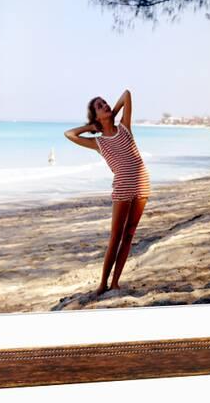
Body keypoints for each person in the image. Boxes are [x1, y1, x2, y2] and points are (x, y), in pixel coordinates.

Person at [64, 89, 151, 295]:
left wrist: (111, 112)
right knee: (116, 236)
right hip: (122, 187)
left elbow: (127, 94)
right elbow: (69, 134)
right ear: (96, 116)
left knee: (129, 235)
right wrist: (92, 126)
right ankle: (103, 283)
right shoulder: (98, 143)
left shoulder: (124, 127)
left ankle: (115, 283)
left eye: (105, 103)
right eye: (100, 106)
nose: (105, 105)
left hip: (142, 184)